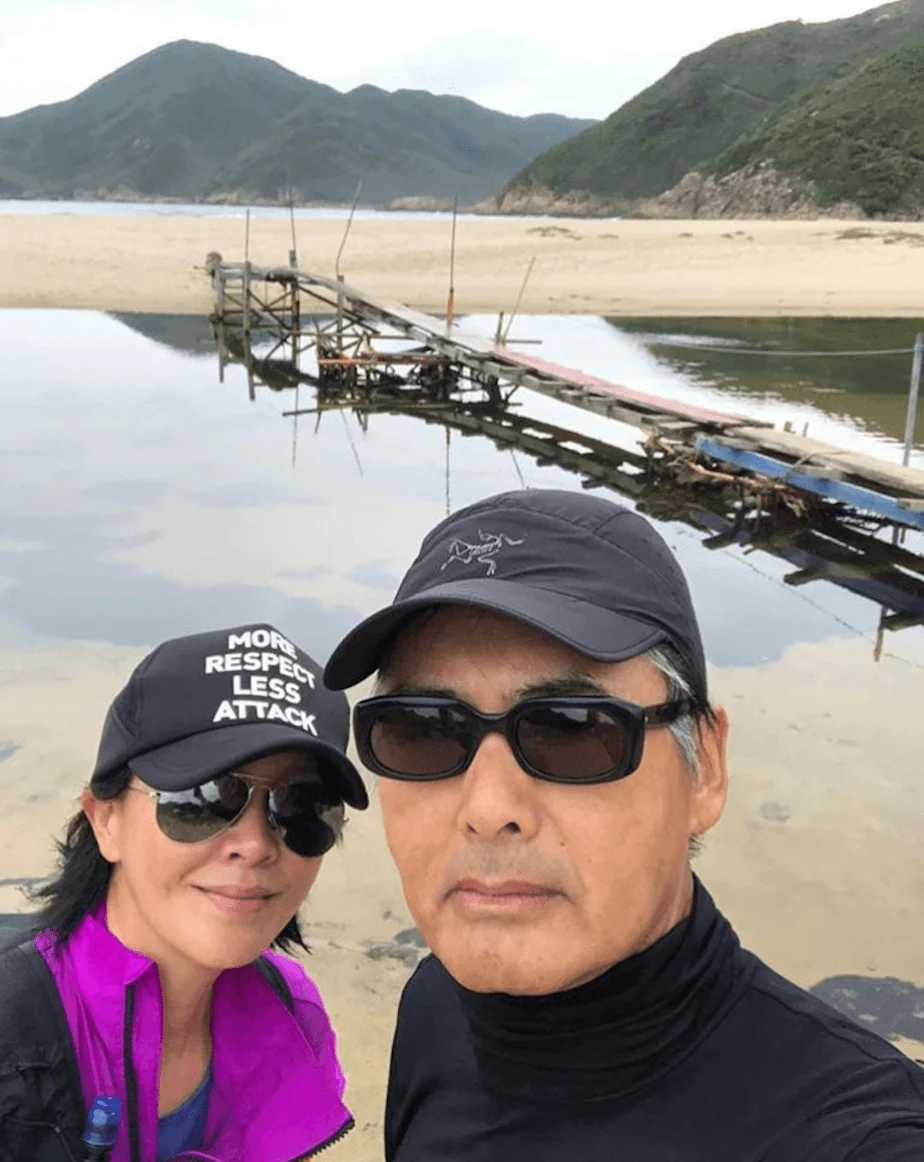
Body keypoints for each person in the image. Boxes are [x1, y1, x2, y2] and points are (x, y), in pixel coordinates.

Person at [323, 488, 924, 1162]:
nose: (489, 809)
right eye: (424, 729)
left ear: (705, 769)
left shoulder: (854, 1135)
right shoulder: (437, 1005)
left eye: (572, 730)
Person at [0, 622, 368, 1162]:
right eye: (203, 798)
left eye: (301, 805)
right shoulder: (12, 1029)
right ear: (105, 820)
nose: (254, 845)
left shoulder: (291, 1012)